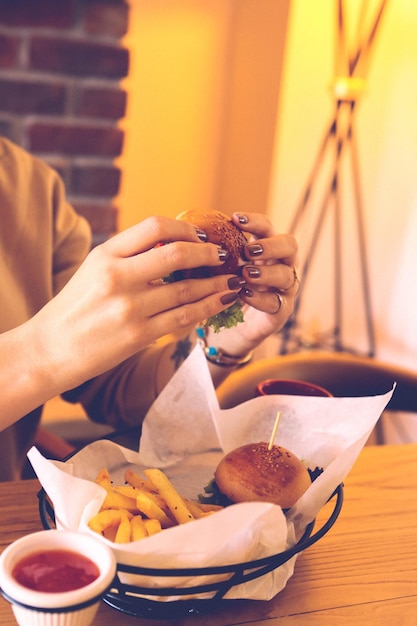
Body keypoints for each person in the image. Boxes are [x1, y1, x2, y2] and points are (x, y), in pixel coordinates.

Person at [0, 137, 299, 480]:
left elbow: (112, 386)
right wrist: (44, 352)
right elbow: (59, 351)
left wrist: (224, 336)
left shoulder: (33, 187)